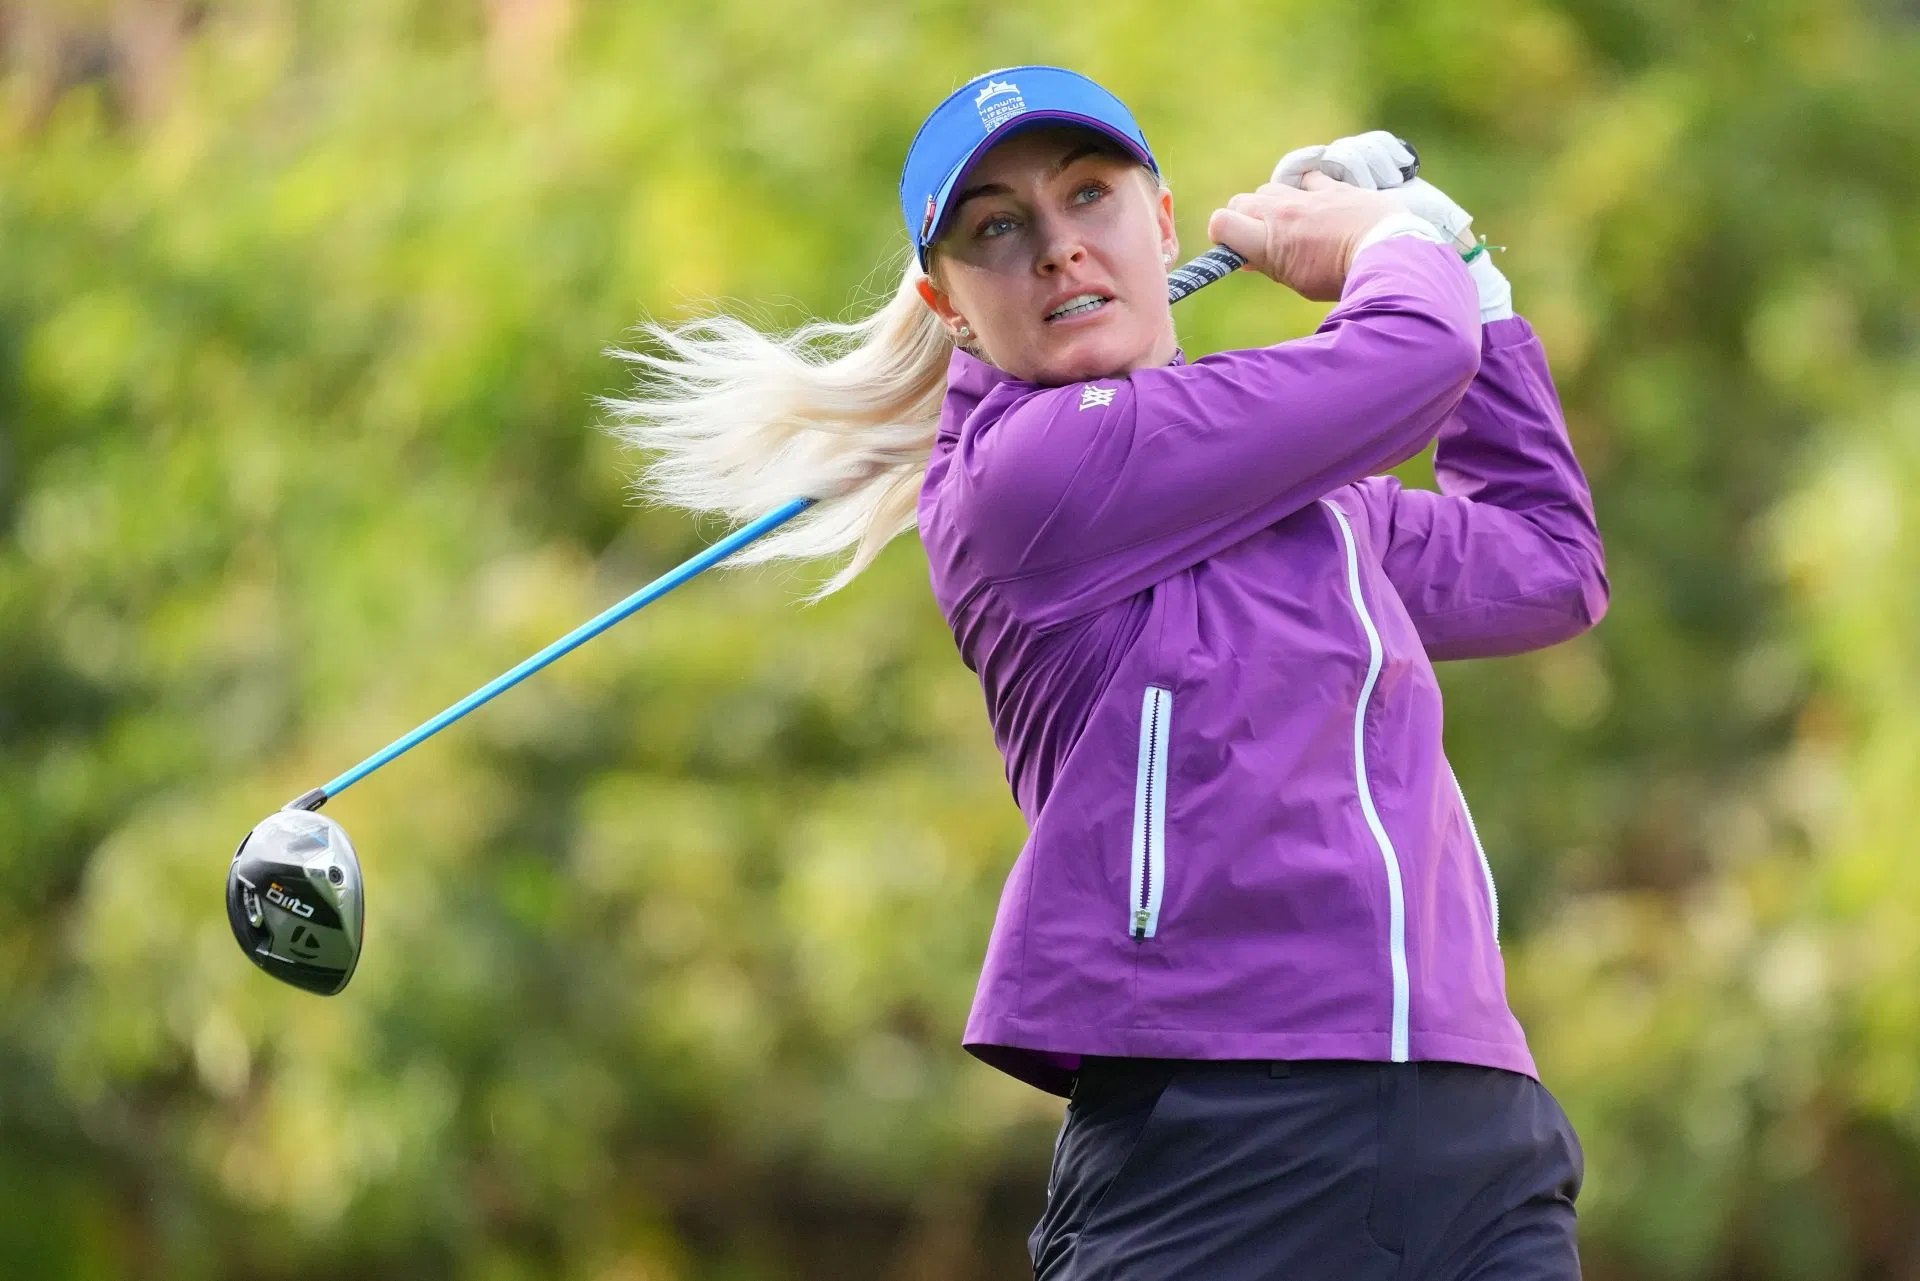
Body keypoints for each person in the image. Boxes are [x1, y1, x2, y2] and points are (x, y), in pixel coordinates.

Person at [613, 64, 1606, 1281]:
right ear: (950, 306)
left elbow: (1547, 564)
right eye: (999, 228)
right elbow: (1408, 353)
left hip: (1475, 1129)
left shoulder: (1323, 513)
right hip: (1223, 1143)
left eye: (1090, 196)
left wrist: (1476, 273)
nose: (1057, 249)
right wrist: (1395, 239)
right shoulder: (1024, 480)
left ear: (1165, 222)